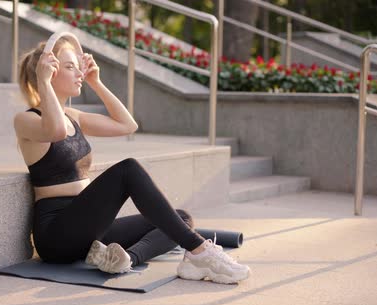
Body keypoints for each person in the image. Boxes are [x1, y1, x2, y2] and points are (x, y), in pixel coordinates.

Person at [13, 34, 251, 284]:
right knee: (127, 170)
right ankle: (200, 252)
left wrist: (96, 82)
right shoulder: (26, 120)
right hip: (57, 234)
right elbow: (56, 131)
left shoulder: (74, 115)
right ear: (48, 72)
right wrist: (44, 83)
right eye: (70, 67)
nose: (78, 73)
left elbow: (127, 125)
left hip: (90, 228)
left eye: (78, 67)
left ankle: (125, 259)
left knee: (181, 218)